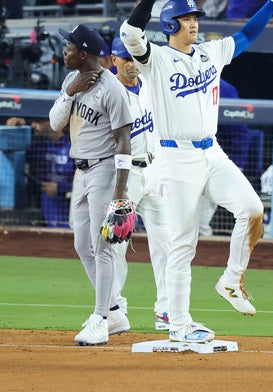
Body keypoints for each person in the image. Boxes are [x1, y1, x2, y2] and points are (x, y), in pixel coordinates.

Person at [119, 0, 273, 342]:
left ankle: (231, 280)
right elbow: (130, 34)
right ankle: (179, 325)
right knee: (182, 244)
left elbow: (248, 34)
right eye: (185, 19)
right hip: (176, 159)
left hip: (211, 153)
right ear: (169, 26)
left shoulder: (211, 53)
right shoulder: (155, 61)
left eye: (195, 17)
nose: (193, 23)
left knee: (252, 210)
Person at [49, 24, 133, 346]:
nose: (64, 51)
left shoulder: (112, 89)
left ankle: (101, 319)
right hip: (80, 171)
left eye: (68, 46)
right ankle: (112, 310)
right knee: (82, 245)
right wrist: (71, 92)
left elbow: (124, 141)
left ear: (83, 53)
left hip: (104, 171)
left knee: (104, 247)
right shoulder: (72, 81)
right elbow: (56, 124)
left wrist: (120, 191)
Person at [110, 36, 171, 331]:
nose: (132, 64)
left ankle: (167, 310)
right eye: (126, 59)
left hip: (153, 171)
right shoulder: (109, 94)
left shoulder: (147, 85)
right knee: (116, 244)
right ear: (113, 60)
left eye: (135, 58)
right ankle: (114, 310)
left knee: (168, 241)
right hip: (125, 177)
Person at [197, 78, 252, 237]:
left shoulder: (223, 87)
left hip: (211, 162)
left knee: (199, 223)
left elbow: (240, 132)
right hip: (176, 161)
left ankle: (203, 258)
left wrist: (237, 166)